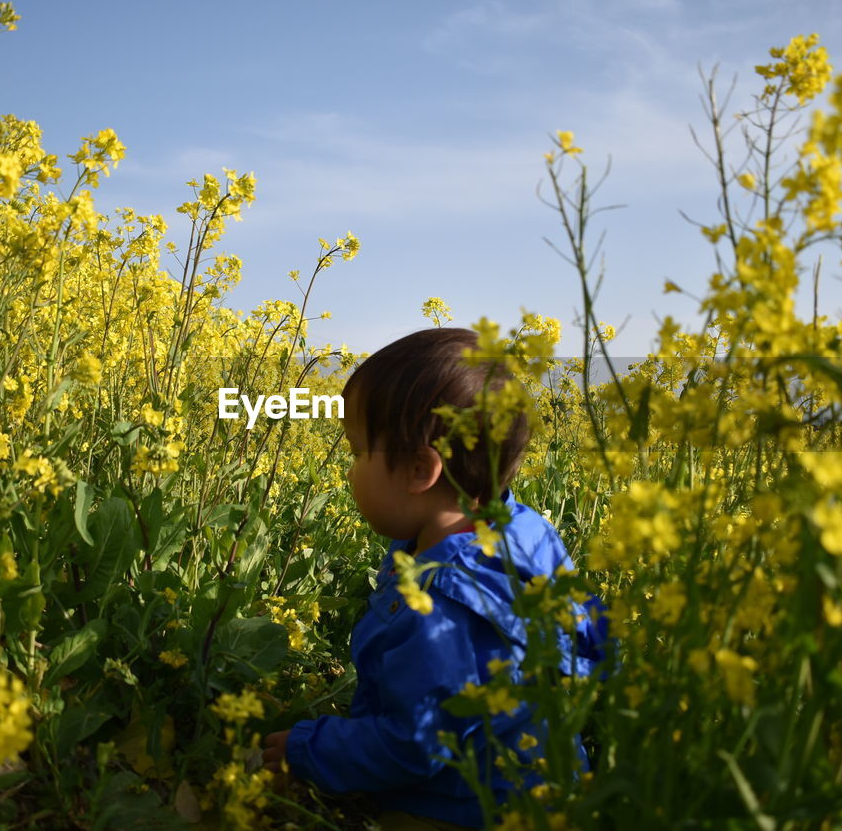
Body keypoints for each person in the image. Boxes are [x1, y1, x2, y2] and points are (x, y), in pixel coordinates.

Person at [261, 327, 611, 829]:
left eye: (358, 453)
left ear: (418, 470)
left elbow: (414, 745)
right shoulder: (521, 530)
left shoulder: (443, 604)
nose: (349, 471)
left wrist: (312, 751)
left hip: (472, 807)